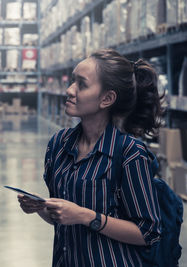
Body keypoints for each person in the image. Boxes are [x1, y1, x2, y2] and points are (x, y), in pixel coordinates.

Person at [18, 49, 163, 266]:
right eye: (72, 81)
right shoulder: (59, 144)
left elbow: (148, 232)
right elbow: (65, 218)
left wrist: (86, 216)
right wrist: (42, 207)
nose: (69, 90)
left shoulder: (129, 154)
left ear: (107, 98)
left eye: (81, 84)